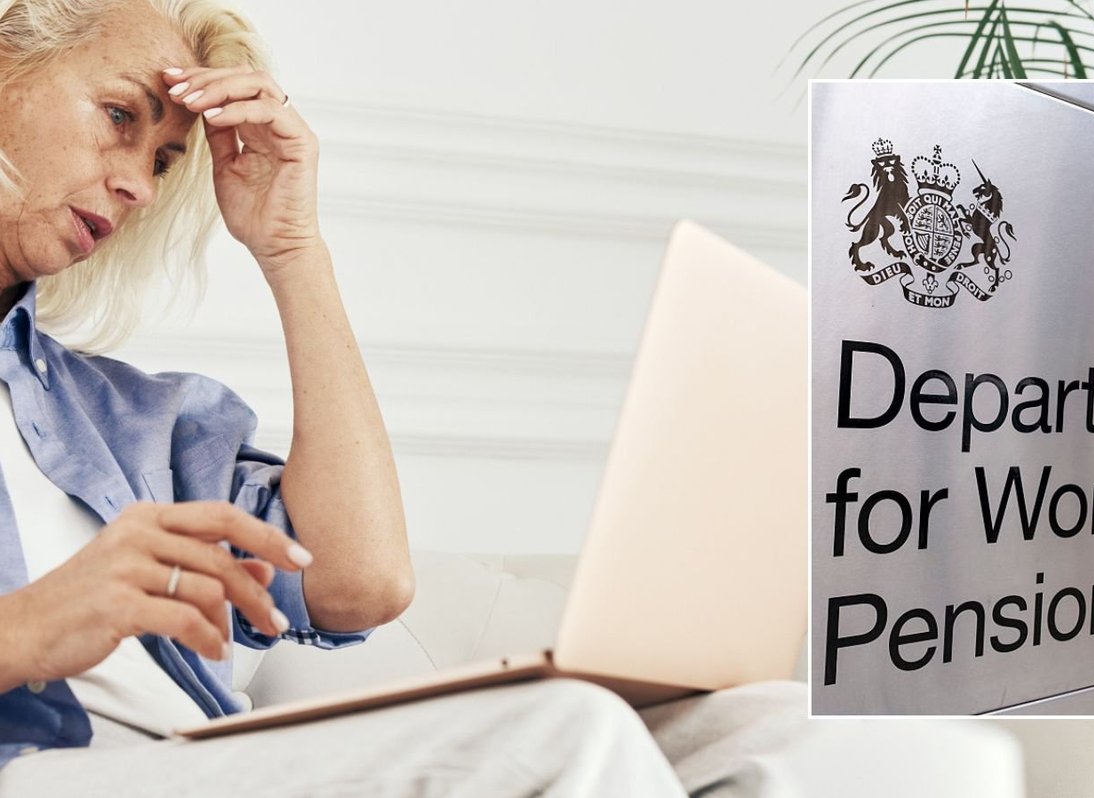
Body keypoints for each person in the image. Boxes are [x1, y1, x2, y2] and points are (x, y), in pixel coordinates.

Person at [0, 1, 810, 795]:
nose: (142, 185)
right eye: (119, 115)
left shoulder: (123, 418)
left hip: (192, 760)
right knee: (564, 734)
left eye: (168, 159)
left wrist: (292, 247)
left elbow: (361, 584)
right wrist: (29, 627)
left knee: (777, 727)